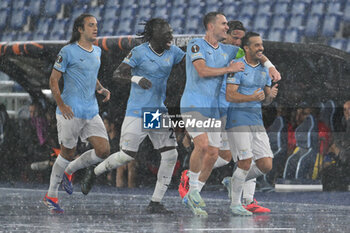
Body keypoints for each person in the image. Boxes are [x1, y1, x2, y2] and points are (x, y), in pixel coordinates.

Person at [80, 18, 185, 214]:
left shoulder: (174, 52)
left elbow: (192, 66)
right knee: (127, 156)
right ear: (154, 34)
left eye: (171, 31)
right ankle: (94, 171)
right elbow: (117, 74)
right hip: (137, 110)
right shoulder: (139, 52)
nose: (170, 36)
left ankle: (155, 202)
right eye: (166, 32)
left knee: (171, 154)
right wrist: (136, 78)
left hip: (156, 112)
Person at [178, 19, 279, 215]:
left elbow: (258, 52)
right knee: (228, 154)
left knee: (227, 156)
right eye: (234, 37)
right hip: (217, 109)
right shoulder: (215, 50)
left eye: (241, 40)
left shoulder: (238, 53)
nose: (238, 43)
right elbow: (203, 73)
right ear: (226, 34)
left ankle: (242, 197)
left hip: (230, 112)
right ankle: (194, 182)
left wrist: (270, 66)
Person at [43, 13, 111, 213]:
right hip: (70, 111)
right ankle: (51, 195)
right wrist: (62, 105)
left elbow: (91, 73)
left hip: (91, 110)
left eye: (96, 25)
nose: (95, 28)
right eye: (91, 25)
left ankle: (69, 171)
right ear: (80, 29)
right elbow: (53, 80)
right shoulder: (67, 51)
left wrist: (100, 88)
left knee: (104, 151)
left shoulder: (97, 51)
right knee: (67, 153)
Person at [179, 12, 245, 216]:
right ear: (210, 26)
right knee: (203, 145)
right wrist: (228, 69)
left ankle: (193, 193)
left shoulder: (229, 50)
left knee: (216, 154)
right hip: (193, 105)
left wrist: (269, 67)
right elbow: (202, 71)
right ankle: (190, 181)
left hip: (213, 109)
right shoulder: (196, 45)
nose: (227, 27)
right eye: (224, 24)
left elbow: (252, 53)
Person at [225, 32, 278, 215]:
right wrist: (251, 97)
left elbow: (265, 98)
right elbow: (229, 95)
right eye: (256, 45)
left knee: (265, 165)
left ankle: (234, 181)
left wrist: (269, 97)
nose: (260, 48)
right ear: (246, 48)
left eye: (261, 45)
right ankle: (235, 205)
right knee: (245, 161)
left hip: (256, 120)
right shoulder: (237, 67)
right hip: (237, 119)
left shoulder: (264, 70)